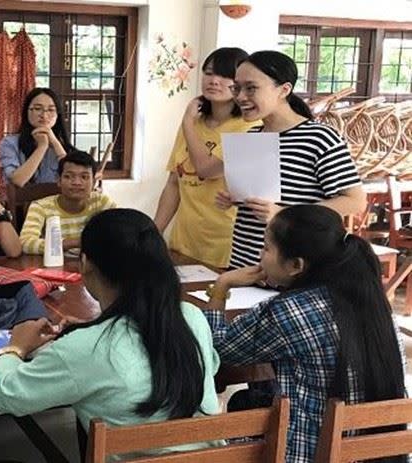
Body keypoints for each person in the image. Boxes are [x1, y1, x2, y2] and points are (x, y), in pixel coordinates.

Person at [0, 209, 221, 455]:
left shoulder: (86, 349)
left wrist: (16, 347)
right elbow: (211, 363)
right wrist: (94, 330)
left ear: (85, 264)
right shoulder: (191, 316)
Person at [204, 205, 407, 463]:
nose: (260, 256)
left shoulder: (290, 311)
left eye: (266, 248)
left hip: (311, 455)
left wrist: (222, 285)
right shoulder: (374, 303)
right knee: (250, 398)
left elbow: (217, 349)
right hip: (376, 454)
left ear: (296, 265)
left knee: (241, 409)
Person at [216, 50, 366, 269]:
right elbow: (262, 201)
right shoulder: (252, 137)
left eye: (251, 88)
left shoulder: (319, 138)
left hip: (292, 269)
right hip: (245, 263)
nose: (240, 97)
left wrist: (286, 215)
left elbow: (355, 201)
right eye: (237, 88)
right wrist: (235, 198)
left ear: (284, 90)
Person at [154, 47, 255, 268]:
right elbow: (174, 183)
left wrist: (187, 123)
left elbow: (207, 169)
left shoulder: (250, 128)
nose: (214, 80)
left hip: (226, 248)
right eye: (209, 73)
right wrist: (155, 232)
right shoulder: (193, 122)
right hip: (185, 244)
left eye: (225, 75)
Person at [20, 150, 116, 255]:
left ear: (93, 182)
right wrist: (75, 242)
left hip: (93, 265)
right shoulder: (41, 207)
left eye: (84, 177)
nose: (76, 183)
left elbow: (119, 234)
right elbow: (25, 243)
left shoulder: (102, 203)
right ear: (58, 180)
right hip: (56, 266)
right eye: (68, 176)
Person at [0, 87, 75, 187]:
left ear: (58, 115)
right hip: (24, 202)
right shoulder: (9, 143)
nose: (44, 115)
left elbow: (73, 178)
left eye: (51, 110)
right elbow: (18, 181)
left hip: (57, 202)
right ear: (27, 111)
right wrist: (42, 147)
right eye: (38, 109)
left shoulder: (61, 144)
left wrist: (55, 143)